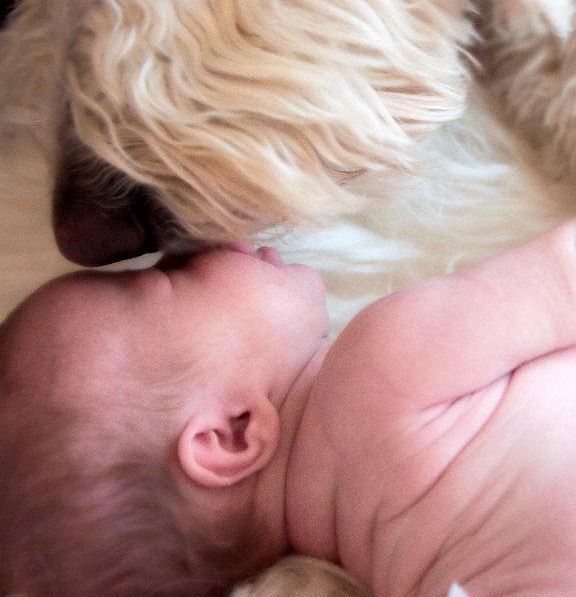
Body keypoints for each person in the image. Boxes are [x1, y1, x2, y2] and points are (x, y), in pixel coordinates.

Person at [1, 223, 576, 597]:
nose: (199, 243)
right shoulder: (377, 367)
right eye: (167, 278)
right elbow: (564, 276)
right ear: (232, 433)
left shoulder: (373, 559)